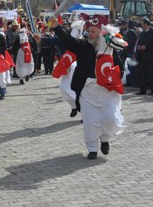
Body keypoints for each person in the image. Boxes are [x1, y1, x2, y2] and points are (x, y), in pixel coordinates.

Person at [48, 14, 125, 160]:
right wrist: (57, 27)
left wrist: (112, 77)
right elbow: (69, 41)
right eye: (88, 31)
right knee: (90, 122)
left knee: (110, 118)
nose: (90, 34)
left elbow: (119, 67)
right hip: (87, 90)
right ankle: (92, 149)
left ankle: (104, 138)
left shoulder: (110, 49)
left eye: (93, 31)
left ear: (101, 33)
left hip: (106, 91)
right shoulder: (83, 46)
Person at [135, 17, 153, 95]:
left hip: (150, 56)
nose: (142, 25)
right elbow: (139, 42)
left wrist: (146, 46)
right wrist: (139, 47)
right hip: (142, 56)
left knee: (152, 73)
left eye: (143, 24)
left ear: (146, 24)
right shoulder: (142, 33)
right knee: (142, 74)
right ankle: (142, 90)